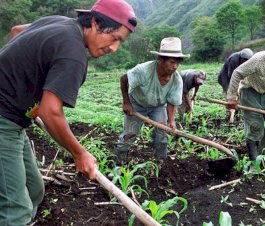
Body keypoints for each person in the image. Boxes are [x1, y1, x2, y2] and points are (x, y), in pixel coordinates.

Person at [0, 0, 137, 224]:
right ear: (95, 23)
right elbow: (50, 111)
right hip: (3, 121)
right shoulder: (73, 54)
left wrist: (22, 83)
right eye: (114, 38)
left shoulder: (60, 23)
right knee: (16, 209)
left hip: (14, 122)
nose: (114, 48)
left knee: (34, 190)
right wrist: (79, 153)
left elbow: (16, 32)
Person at [115, 37, 188, 165]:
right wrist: (126, 102)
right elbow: (124, 79)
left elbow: (172, 101)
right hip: (137, 104)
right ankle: (118, 164)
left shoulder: (177, 80)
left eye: (177, 63)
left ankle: (161, 163)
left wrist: (171, 121)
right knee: (129, 134)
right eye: (171, 62)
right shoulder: (143, 70)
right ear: (160, 59)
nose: (175, 66)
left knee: (162, 135)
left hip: (158, 106)